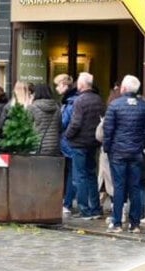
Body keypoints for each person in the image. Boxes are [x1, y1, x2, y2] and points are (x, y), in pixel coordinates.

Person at [102, 75, 145, 234]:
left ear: (123, 88)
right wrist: (139, 145)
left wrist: (107, 148)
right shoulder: (144, 106)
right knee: (135, 188)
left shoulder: (114, 105)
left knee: (119, 187)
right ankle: (135, 224)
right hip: (136, 152)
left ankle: (117, 222)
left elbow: (108, 130)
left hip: (118, 152)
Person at [63, 72, 104, 220]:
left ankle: (84, 209)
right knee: (91, 175)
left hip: (79, 143)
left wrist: (67, 135)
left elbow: (75, 123)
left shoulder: (80, 101)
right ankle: (96, 208)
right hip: (93, 142)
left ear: (81, 85)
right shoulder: (98, 99)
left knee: (79, 177)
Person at [56, 74, 79, 217]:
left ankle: (68, 202)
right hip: (68, 142)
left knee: (71, 173)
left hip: (68, 142)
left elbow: (64, 123)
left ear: (65, 85)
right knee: (71, 173)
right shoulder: (70, 101)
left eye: (58, 85)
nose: (56, 88)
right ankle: (67, 201)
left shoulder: (70, 102)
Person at [27, 84, 60, 156]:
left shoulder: (32, 107)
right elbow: (60, 125)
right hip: (54, 145)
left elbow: (27, 126)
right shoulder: (57, 107)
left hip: (38, 145)